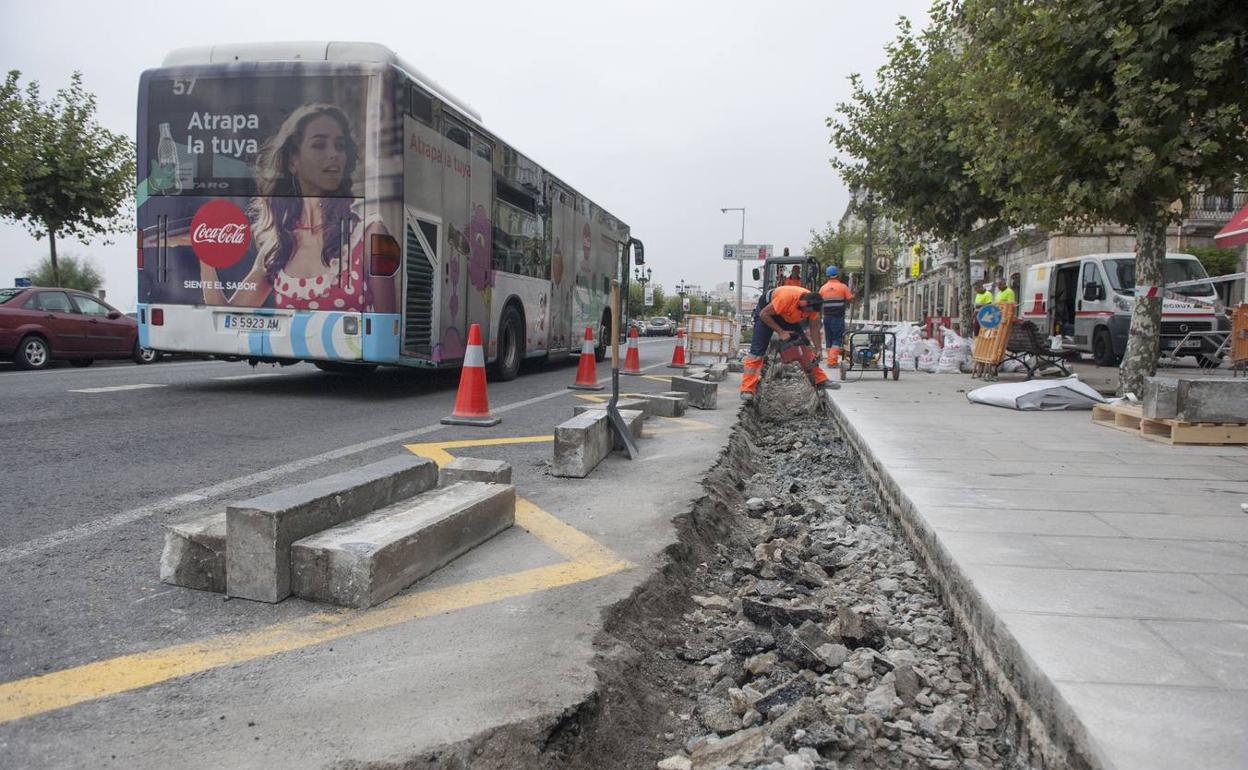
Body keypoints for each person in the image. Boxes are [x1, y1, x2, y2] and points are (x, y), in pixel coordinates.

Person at [198, 103, 396, 312]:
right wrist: (204, 254)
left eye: (340, 146)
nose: (334, 154)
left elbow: (387, 324)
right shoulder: (278, 247)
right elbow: (226, 317)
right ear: (293, 161)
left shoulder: (371, 235)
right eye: (319, 145)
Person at [740, 285, 830, 403]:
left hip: (787, 316)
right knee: (757, 352)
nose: (808, 315)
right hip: (766, 313)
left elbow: (814, 328)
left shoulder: (814, 305)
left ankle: (820, 380)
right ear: (802, 304)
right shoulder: (786, 298)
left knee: (805, 348)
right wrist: (781, 332)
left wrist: (818, 349)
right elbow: (763, 314)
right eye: (807, 312)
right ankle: (747, 389)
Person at [818, 265, 854, 366]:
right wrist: (853, 295)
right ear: (837, 275)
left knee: (829, 338)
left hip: (826, 317)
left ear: (827, 276)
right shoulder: (843, 287)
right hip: (838, 317)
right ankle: (832, 361)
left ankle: (830, 358)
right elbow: (850, 299)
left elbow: (819, 302)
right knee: (837, 338)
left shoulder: (823, 288)